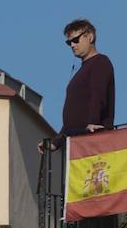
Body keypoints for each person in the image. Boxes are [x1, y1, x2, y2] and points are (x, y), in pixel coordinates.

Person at [38, 19, 115, 153]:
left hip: (92, 142)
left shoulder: (100, 62)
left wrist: (93, 123)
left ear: (90, 37)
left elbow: (98, 95)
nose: (72, 45)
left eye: (76, 40)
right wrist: (55, 143)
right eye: (69, 42)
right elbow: (70, 122)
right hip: (77, 144)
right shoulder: (81, 71)